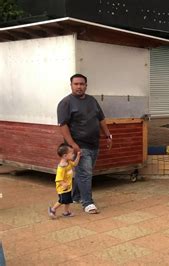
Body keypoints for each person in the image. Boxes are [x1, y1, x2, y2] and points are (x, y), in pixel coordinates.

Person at [57, 74, 112, 214]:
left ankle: (75, 196)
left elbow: (101, 119)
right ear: (71, 85)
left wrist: (108, 135)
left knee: (83, 173)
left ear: (86, 85)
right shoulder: (66, 103)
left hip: (94, 144)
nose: (79, 86)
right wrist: (72, 144)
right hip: (79, 146)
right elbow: (63, 126)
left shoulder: (92, 100)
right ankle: (88, 203)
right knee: (85, 174)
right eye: (76, 84)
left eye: (82, 84)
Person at [48, 143, 81, 219]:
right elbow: (58, 179)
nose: (73, 155)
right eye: (72, 153)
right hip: (62, 188)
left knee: (68, 200)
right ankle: (52, 209)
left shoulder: (69, 162)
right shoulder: (61, 167)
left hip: (68, 186)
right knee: (62, 200)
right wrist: (63, 184)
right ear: (65, 156)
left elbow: (75, 164)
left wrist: (78, 156)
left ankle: (66, 212)